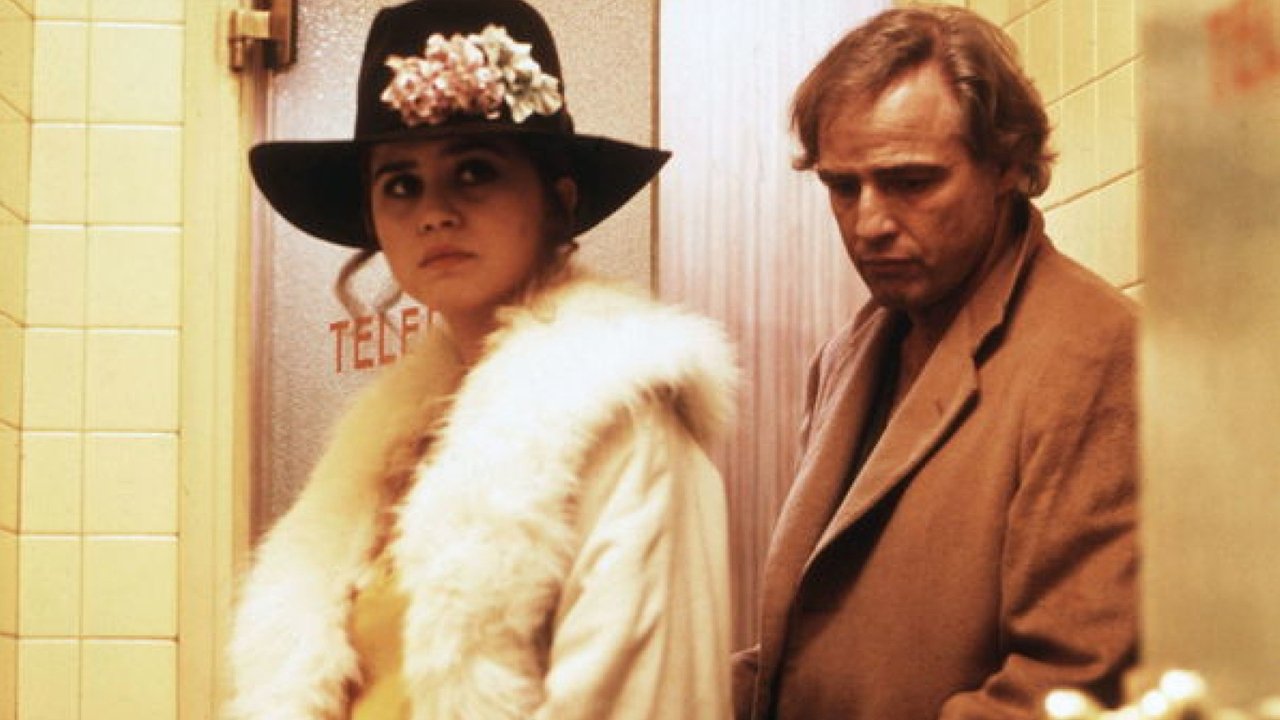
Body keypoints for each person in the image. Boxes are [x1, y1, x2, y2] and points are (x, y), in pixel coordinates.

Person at [226, 1, 738, 718]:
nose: (434, 211)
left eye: (474, 171)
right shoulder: (404, 438)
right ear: (373, 220)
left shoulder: (624, 429)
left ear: (558, 201)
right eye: (399, 183)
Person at [732, 6, 1138, 719]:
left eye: (912, 182)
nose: (869, 224)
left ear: (1008, 165)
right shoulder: (847, 356)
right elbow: (808, 646)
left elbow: (1071, 685)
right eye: (842, 187)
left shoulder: (1099, 353)